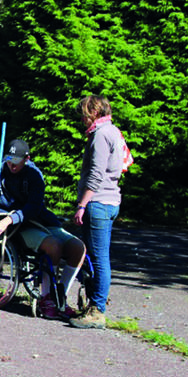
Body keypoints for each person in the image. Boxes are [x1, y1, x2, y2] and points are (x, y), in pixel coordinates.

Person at [0, 139, 86, 319]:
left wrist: (9, 219)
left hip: (37, 220)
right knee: (53, 246)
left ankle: (59, 297)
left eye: (16, 161)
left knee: (78, 248)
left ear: (27, 159)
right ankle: (47, 300)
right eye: (9, 160)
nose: (12, 165)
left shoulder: (34, 176)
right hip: (17, 231)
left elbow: (33, 207)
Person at [70, 95, 131, 329]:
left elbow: (95, 174)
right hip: (111, 200)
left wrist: (82, 205)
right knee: (97, 256)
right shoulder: (114, 131)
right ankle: (94, 304)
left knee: (98, 258)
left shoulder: (101, 135)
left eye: (85, 113)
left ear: (93, 112)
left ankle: (97, 311)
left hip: (98, 203)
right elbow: (124, 164)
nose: (83, 119)